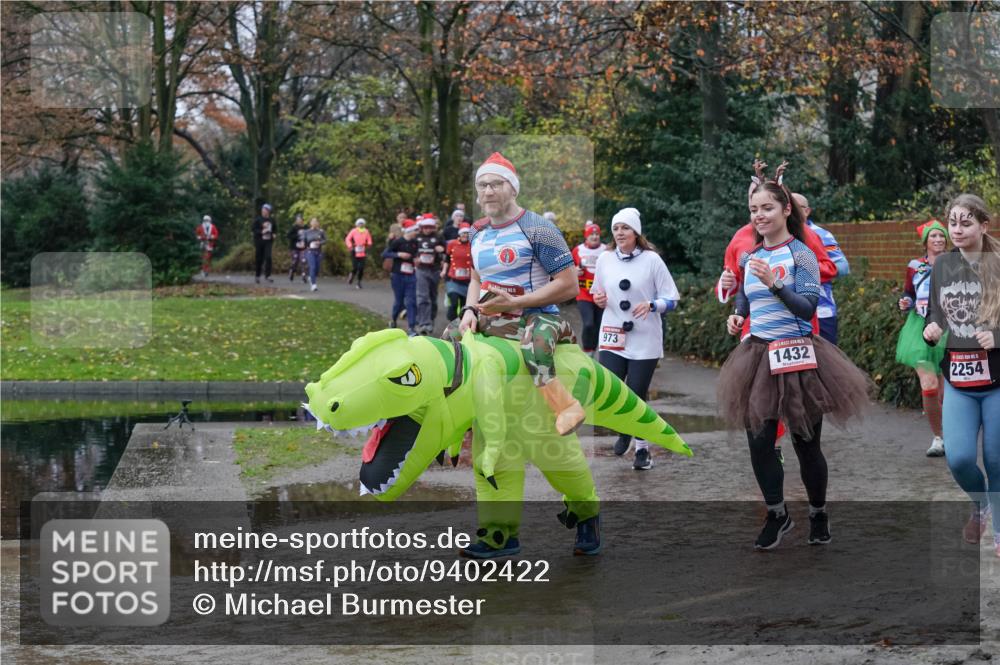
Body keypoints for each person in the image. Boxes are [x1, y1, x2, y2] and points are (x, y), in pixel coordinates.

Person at [717, 163, 869, 551]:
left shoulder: (801, 254)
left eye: (767, 208)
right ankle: (777, 512)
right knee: (759, 440)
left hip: (798, 355)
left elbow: (806, 309)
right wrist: (738, 314)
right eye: (754, 210)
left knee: (806, 443)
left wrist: (776, 283)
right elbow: (745, 293)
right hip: (757, 354)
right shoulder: (751, 254)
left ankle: (818, 512)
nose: (759, 216)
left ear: (786, 210)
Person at [444, 152, 585, 436]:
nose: (488, 191)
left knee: (534, 346)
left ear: (513, 188)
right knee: (448, 340)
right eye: (482, 185)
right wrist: (469, 310)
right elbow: (475, 279)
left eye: (496, 184)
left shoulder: (539, 229)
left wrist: (517, 302)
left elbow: (570, 285)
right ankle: (457, 410)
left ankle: (566, 407)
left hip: (539, 317)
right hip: (491, 316)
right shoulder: (475, 231)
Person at [922, 194, 1000, 559]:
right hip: (959, 378)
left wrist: (996, 337)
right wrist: (934, 328)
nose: (956, 229)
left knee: (997, 460)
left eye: (965, 222)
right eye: (952, 222)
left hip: (997, 380)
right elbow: (936, 313)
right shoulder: (942, 266)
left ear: (984, 225)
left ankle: (999, 529)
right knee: (959, 458)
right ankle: (981, 505)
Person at [591, 208, 679, 469]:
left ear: (636, 232)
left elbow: (671, 299)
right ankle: (624, 429)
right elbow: (597, 292)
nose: (619, 233)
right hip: (612, 334)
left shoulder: (652, 260)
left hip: (645, 338)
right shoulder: (604, 259)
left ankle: (642, 450)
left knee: (637, 394)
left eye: (625, 228)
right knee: (614, 390)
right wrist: (598, 299)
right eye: (616, 228)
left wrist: (652, 305)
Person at [895, 220, 950, 456]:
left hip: (949, 328)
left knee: (945, 390)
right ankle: (938, 438)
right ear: (925, 241)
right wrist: (905, 302)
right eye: (933, 236)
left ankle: (952, 434)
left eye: (941, 236)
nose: (938, 240)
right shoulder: (914, 266)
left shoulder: (955, 262)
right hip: (919, 327)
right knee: (929, 385)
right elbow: (909, 292)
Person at [792, 193, 850, 344]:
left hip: (821, 310)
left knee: (826, 364)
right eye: (788, 207)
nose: (792, 212)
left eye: (797, 208)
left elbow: (843, 267)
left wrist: (807, 268)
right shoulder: (776, 235)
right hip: (787, 315)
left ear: (807, 211)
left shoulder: (822, 235)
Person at [573, 221, 606, 357]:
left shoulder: (606, 250)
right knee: (588, 323)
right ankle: (587, 351)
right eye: (591, 234)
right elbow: (568, 268)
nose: (594, 237)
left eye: (597, 234)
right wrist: (574, 271)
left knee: (598, 325)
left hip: (601, 293)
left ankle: (593, 350)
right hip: (583, 293)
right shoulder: (577, 250)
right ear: (586, 236)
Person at [384, 219, 419, 335]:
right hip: (398, 275)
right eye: (415, 230)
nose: (417, 232)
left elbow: (416, 255)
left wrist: (417, 259)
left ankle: (412, 328)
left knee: (411, 302)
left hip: (411, 275)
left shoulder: (415, 243)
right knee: (399, 302)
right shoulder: (398, 242)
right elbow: (385, 254)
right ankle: (393, 320)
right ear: (409, 231)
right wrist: (398, 254)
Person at [414, 214, 446, 335]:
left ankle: (430, 320)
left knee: (433, 297)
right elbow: (411, 251)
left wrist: (442, 249)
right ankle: (423, 323)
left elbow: (447, 251)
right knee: (422, 297)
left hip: (435, 270)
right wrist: (414, 258)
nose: (427, 229)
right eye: (425, 227)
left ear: (434, 228)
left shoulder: (439, 237)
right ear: (422, 227)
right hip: (421, 270)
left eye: (430, 227)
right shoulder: (417, 238)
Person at [441, 222, 473, 322]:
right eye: (463, 233)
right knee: (454, 302)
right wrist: (443, 271)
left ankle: (461, 323)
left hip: (467, 279)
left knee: (465, 305)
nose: (465, 235)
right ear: (459, 234)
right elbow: (447, 260)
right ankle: (452, 321)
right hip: (453, 278)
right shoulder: (452, 244)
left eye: (467, 234)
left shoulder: (473, 245)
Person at [344, 218, 373, 289]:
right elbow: (347, 239)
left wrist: (368, 244)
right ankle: (352, 275)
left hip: (362, 251)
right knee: (355, 267)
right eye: (359, 223)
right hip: (354, 250)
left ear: (364, 224)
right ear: (357, 224)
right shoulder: (354, 231)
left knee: (361, 268)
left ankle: (359, 282)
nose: (361, 225)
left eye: (362, 223)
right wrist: (350, 246)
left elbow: (369, 240)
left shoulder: (366, 231)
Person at [252, 203, 276, 283]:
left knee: (268, 257)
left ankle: (268, 275)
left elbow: (275, 229)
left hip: (268, 241)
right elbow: (253, 229)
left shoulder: (272, 220)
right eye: (263, 209)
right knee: (259, 258)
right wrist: (261, 231)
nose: (264, 211)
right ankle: (257, 275)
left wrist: (274, 234)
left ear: (269, 211)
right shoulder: (258, 219)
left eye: (266, 210)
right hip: (259, 241)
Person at [303, 217, 327, 292]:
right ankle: (313, 285)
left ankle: (311, 276)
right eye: (313, 222)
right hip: (310, 252)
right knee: (312, 267)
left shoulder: (321, 231)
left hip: (318, 252)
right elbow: (304, 240)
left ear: (318, 223)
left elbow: (326, 240)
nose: (314, 223)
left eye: (316, 221)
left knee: (317, 268)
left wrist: (320, 243)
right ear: (310, 223)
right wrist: (306, 245)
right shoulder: (307, 232)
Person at [286, 213, 308, 283]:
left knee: (303, 260)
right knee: (295, 261)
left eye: (300, 219)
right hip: (295, 247)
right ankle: (292, 271)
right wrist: (297, 236)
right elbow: (288, 236)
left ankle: (304, 275)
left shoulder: (306, 228)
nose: (299, 221)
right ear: (296, 221)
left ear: (302, 220)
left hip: (303, 247)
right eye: (298, 219)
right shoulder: (294, 228)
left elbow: (308, 237)